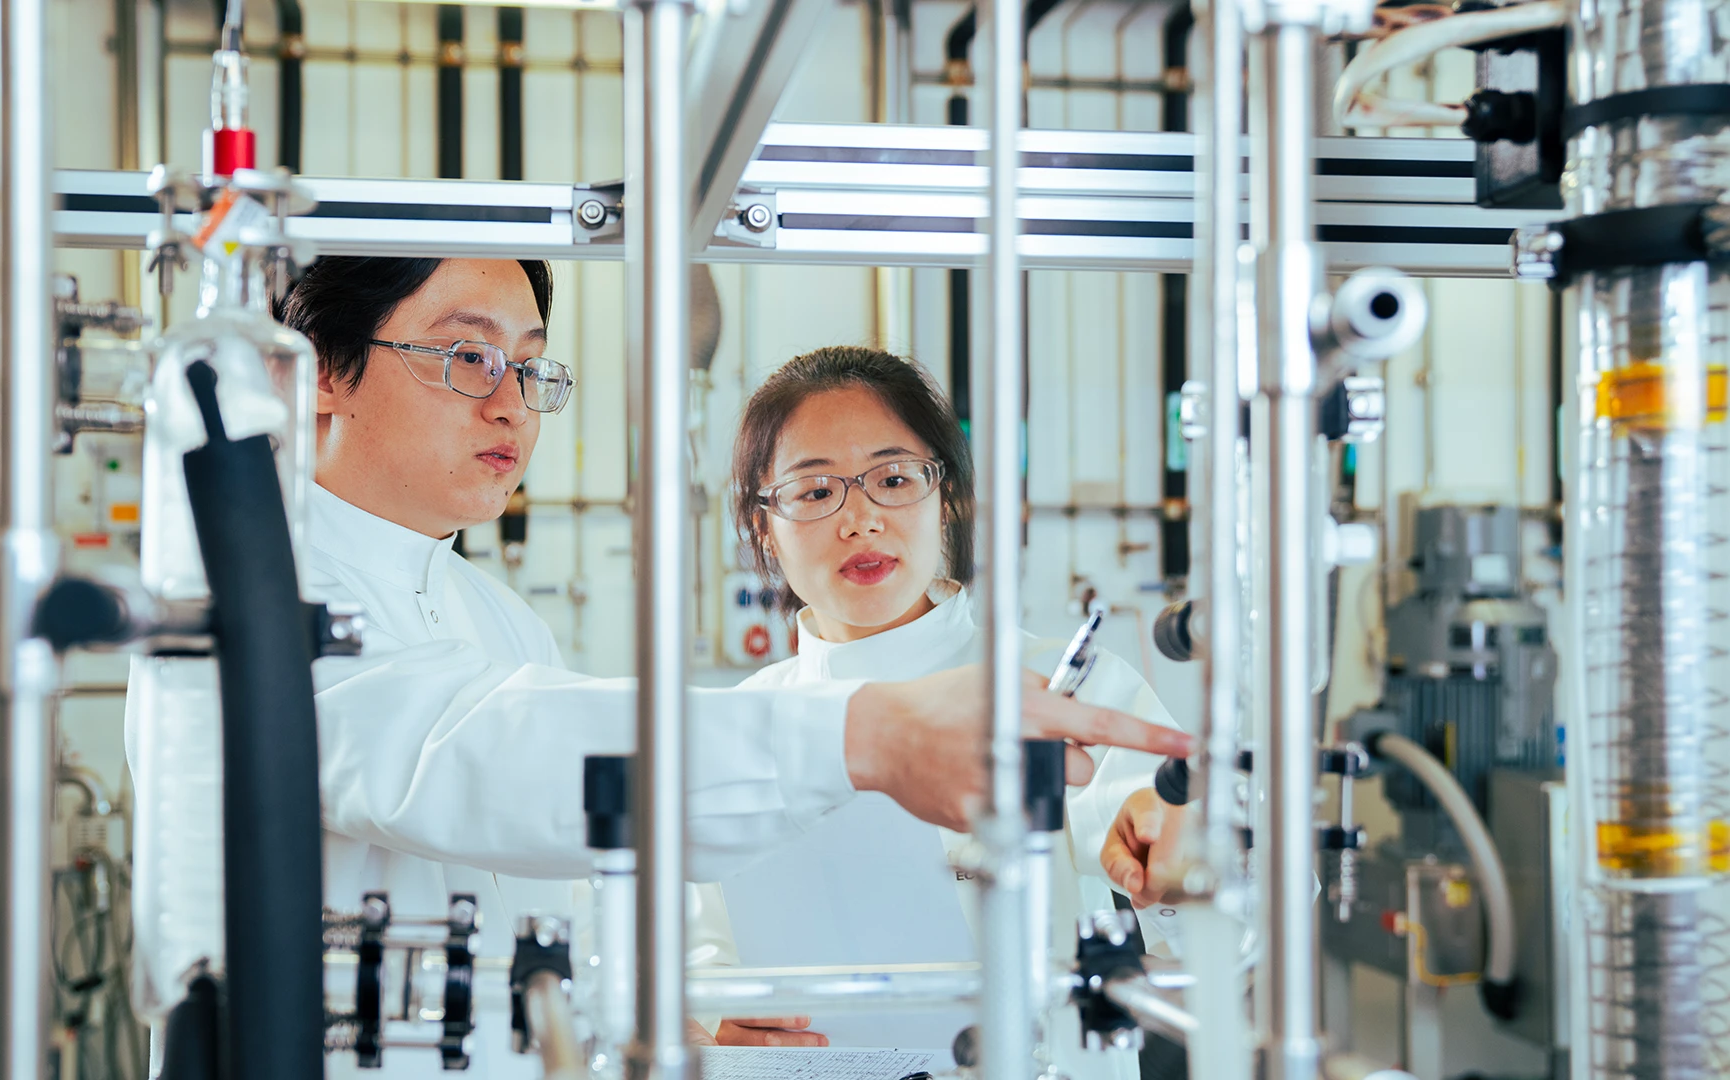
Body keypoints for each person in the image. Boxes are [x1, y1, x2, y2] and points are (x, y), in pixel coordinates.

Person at [228, 258, 1193, 936]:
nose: (512, 403)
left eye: (528, 365)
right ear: (318, 373)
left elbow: (584, 904)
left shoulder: (500, 621)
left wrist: (1180, 864)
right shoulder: (253, 598)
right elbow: (466, 756)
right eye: (469, 356)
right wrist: (870, 737)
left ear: (948, 491)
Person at [700, 345, 1187, 1053]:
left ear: (946, 496)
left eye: (893, 479)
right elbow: (693, 950)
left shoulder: (1062, 688)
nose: (860, 520)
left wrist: (1177, 864)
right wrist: (717, 1019)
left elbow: (1250, 917)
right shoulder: (737, 728)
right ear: (761, 528)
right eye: (813, 492)